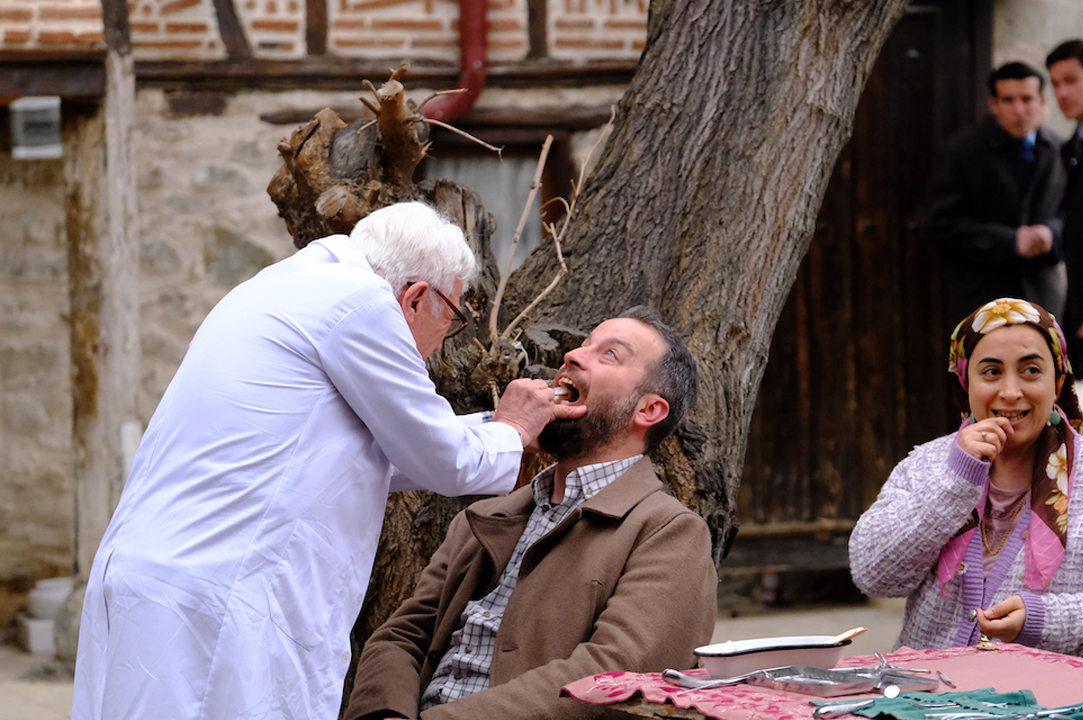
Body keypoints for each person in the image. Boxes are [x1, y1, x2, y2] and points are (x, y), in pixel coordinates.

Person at [71, 202, 582, 720]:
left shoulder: (279, 287)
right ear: (415, 298)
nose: (438, 347)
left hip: (163, 579)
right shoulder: (360, 305)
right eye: (450, 319)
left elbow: (374, 454)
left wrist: (500, 427)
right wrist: (513, 430)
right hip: (216, 598)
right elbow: (442, 461)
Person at [344, 307, 718, 720]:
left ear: (648, 410)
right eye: (585, 344)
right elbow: (401, 637)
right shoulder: (483, 518)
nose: (572, 356)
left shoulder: (670, 532)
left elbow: (615, 672)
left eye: (610, 354)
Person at [847, 298, 1083, 660]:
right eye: (991, 372)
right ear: (966, 382)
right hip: (930, 689)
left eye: (1031, 370)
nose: (1010, 392)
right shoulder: (928, 465)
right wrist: (956, 481)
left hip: (1055, 693)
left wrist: (1045, 620)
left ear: (1057, 382)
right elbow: (873, 575)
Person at [928, 62, 1069, 328]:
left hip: (1044, 297)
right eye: (1008, 100)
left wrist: (1051, 235)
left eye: (1027, 99)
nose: (1019, 110)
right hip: (983, 298)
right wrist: (1010, 241)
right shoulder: (961, 152)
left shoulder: (1061, 149)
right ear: (993, 104)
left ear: (1042, 101)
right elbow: (941, 225)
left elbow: (1078, 216)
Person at [1048, 39, 1083, 380]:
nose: (1062, 93)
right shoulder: (1074, 145)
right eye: (1055, 84)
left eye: (1071, 80)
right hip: (1081, 304)